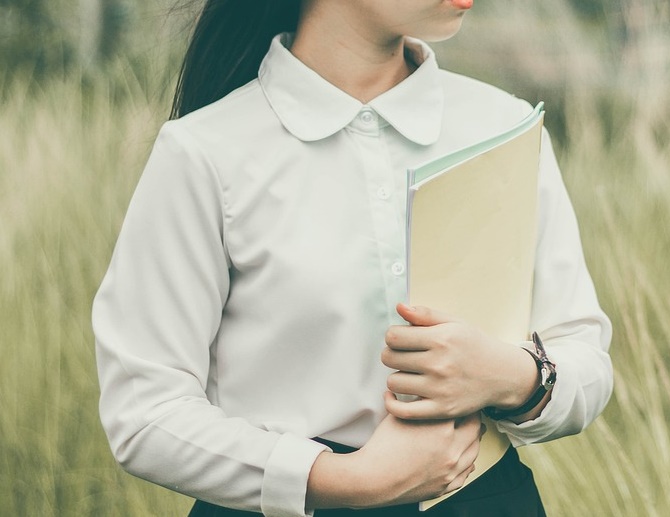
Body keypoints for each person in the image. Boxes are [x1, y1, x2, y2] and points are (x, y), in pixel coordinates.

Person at [92, 1, 613, 516]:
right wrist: (348, 480)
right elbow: (145, 413)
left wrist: (511, 376)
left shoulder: (506, 127)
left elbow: (585, 356)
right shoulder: (203, 152)